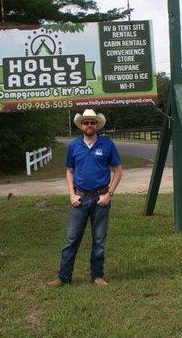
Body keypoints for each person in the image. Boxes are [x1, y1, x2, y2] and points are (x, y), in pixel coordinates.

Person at [48, 109, 123, 287]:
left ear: (97, 125)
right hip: (80, 199)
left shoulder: (107, 144)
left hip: (101, 199)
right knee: (71, 239)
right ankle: (63, 277)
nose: (89, 125)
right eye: (86, 122)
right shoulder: (74, 146)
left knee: (99, 240)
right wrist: (71, 194)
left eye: (92, 122)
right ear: (81, 125)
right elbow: (69, 171)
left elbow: (118, 171)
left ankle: (97, 276)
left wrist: (109, 194)